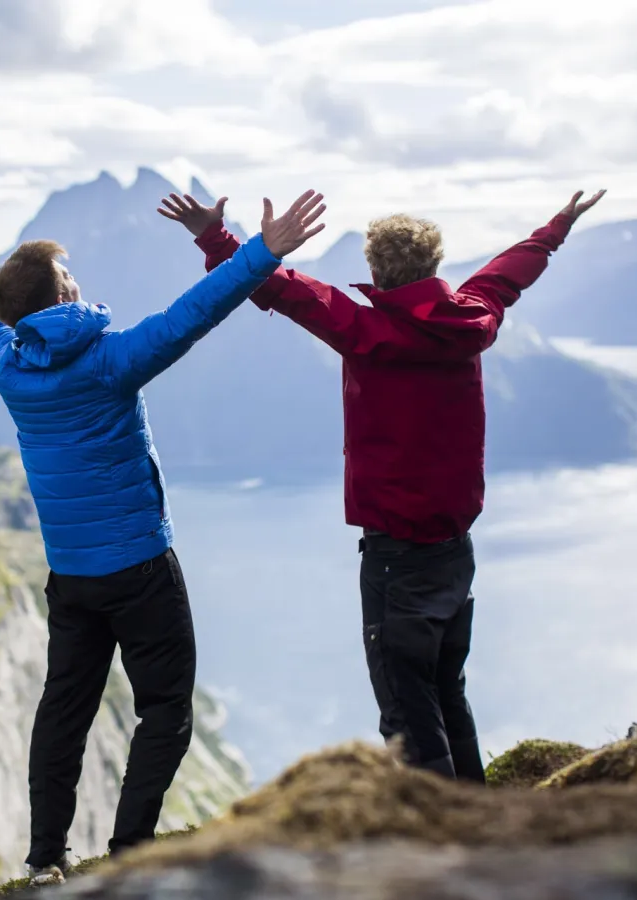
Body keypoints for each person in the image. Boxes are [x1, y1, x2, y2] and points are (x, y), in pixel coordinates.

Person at [0, 192, 326, 882]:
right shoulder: (111, 361)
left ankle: (46, 858)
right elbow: (193, 314)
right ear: (65, 292)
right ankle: (130, 854)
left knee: (64, 710)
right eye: (70, 274)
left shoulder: (5, 359)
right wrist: (262, 251)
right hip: (142, 565)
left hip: (71, 576)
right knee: (167, 708)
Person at [159, 187, 606, 782]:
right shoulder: (471, 316)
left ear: (373, 269)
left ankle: (447, 848)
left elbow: (280, 288)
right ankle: (482, 821)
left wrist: (215, 238)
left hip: (396, 556)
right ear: (435, 265)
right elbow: (506, 276)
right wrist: (555, 227)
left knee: (405, 712)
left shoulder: (362, 331)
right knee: (447, 693)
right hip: (454, 551)